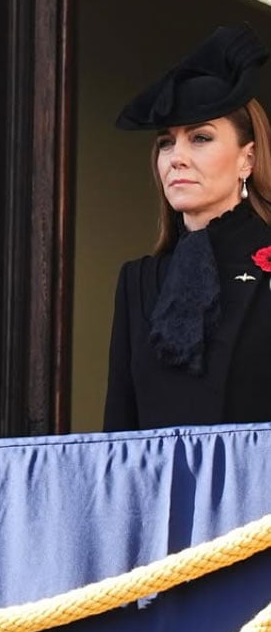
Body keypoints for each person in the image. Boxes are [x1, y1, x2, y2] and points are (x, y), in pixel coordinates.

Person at [103, 24, 271, 431]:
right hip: (161, 494)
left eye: (199, 137)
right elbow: (120, 433)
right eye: (165, 142)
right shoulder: (138, 281)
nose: (175, 157)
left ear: (247, 159)